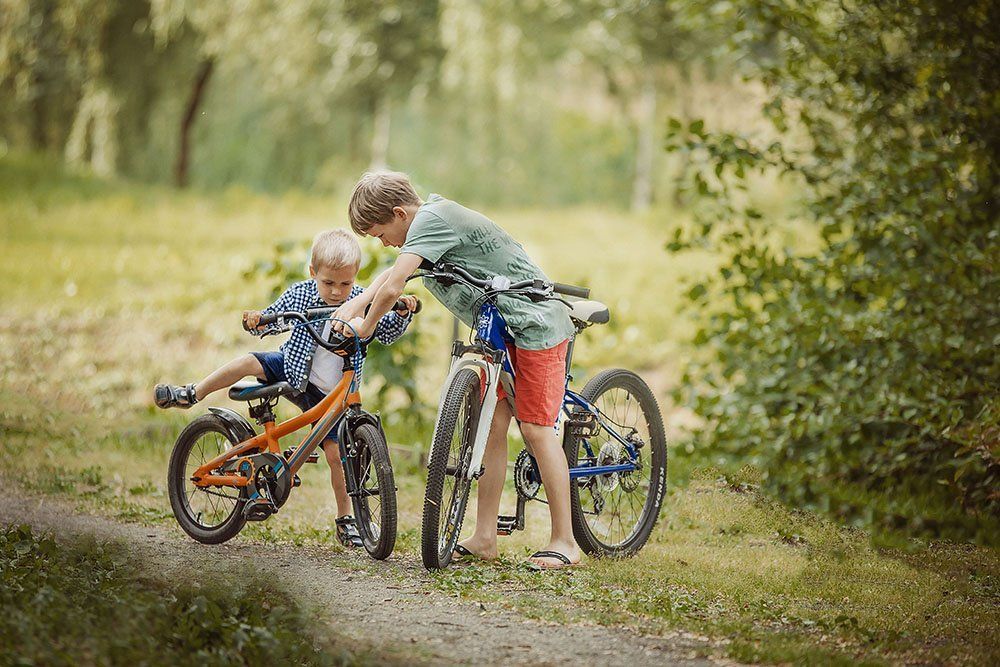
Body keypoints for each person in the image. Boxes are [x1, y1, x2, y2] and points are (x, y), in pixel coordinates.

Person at [335, 171, 581, 570]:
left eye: (381, 234)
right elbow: (389, 276)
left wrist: (364, 328)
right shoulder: (425, 226)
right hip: (503, 331)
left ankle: (566, 542)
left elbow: (395, 285)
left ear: (399, 213)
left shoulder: (433, 219)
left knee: (536, 427)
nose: (384, 243)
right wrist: (347, 310)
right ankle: (485, 537)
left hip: (535, 325)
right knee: (493, 426)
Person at [153, 228, 419, 547]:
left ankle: (345, 519)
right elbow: (275, 317)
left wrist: (403, 311)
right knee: (248, 362)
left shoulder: (361, 299)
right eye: (328, 283)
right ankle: (193, 392)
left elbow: (386, 327)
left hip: (333, 393)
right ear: (313, 273)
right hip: (293, 370)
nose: (336, 292)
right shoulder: (302, 293)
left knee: (337, 455)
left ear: (355, 277)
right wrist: (259, 320)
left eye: (345, 284)